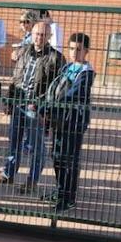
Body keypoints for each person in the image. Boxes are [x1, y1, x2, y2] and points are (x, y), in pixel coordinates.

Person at [0, 20, 65, 193]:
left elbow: (56, 89)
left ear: (49, 36)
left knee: (37, 148)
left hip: (36, 109)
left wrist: (45, 110)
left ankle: (32, 181)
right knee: (14, 142)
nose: (39, 38)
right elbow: (16, 78)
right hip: (18, 105)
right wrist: (8, 101)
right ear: (32, 34)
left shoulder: (56, 58)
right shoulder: (25, 52)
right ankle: (8, 173)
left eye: (43, 35)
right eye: (37, 34)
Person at [44, 33, 94, 212]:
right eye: (71, 48)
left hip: (74, 122)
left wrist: (55, 103)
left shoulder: (86, 72)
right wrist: (46, 105)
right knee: (57, 156)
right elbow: (55, 87)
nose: (74, 52)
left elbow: (74, 93)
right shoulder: (67, 67)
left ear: (86, 51)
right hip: (60, 120)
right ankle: (60, 190)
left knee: (69, 159)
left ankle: (68, 198)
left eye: (78, 49)